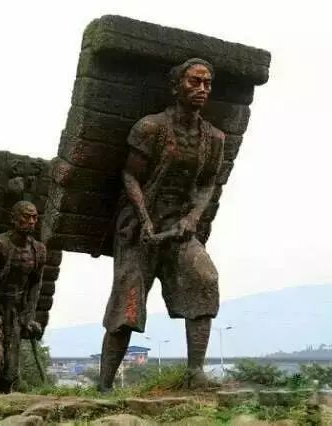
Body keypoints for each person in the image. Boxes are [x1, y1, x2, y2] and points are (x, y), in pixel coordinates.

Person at [99, 58, 224, 391]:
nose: (202, 89)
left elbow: (207, 183)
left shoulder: (214, 138)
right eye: (194, 82)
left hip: (179, 226)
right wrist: (144, 218)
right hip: (139, 226)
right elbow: (130, 175)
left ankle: (194, 373)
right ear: (176, 86)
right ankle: (105, 385)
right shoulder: (150, 128)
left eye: (207, 83)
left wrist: (192, 218)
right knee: (128, 302)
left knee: (204, 278)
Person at [0, 200, 46, 393]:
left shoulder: (39, 250)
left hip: (15, 311)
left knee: (10, 372)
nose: (31, 221)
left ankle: (2, 404)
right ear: (13, 219)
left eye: (34, 217)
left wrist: (29, 316)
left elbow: (35, 284)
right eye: (26, 217)